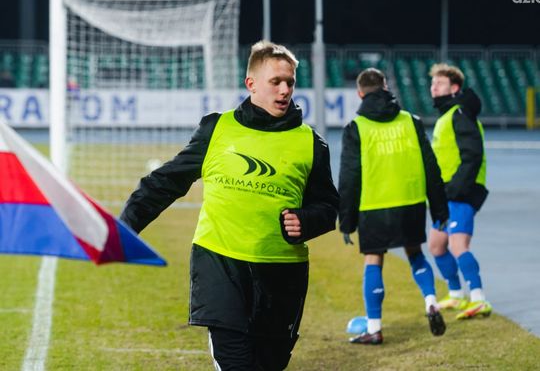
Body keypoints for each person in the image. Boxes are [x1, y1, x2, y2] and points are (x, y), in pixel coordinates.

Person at [120, 40, 339, 370]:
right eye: (275, 81)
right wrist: (125, 227)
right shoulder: (217, 129)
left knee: (269, 363)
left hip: (281, 272)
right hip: (220, 264)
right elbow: (165, 181)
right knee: (235, 362)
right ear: (251, 83)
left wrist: (307, 221)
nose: (284, 90)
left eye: (289, 82)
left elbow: (328, 205)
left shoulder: (311, 143)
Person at [339, 68, 449, 345]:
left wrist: (347, 221)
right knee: (416, 254)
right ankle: (431, 301)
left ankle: (374, 328)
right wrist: (439, 209)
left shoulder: (356, 128)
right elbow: (431, 167)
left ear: (360, 93)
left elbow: (349, 177)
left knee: (373, 260)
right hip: (411, 203)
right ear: (386, 87)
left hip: (374, 206)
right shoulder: (411, 121)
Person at [428, 63, 491, 319]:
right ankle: (456, 294)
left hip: (462, 191)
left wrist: (455, 188)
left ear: (454, 88)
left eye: (440, 83)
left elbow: (472, 155)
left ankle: (478, 298)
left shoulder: (460, 113)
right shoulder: (447, 115)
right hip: (448, 192)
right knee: (436, 246)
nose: (434, 88)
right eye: (433, 84)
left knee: (458, 245)